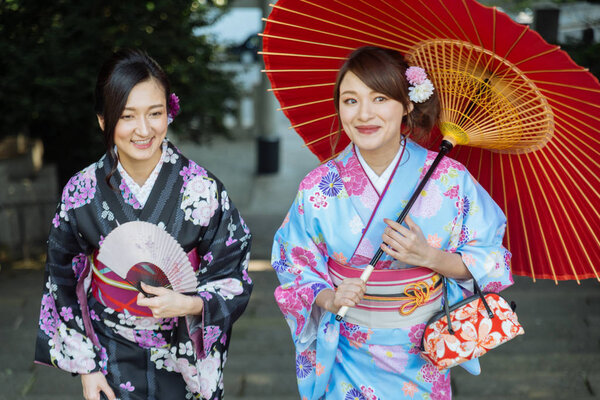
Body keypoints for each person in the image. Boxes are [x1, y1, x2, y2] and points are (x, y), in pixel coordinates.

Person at [271, 46, 514, 399]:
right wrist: (329, 297)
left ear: (408, 104)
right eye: (350, 100)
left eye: (380, 98)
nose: (364, 114)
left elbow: (492, 260)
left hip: (423, 353)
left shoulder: (449, 179)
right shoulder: (317, 187)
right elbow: (292, 264)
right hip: (345, 355)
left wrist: (429, 257)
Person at [35, 49, 253, 400]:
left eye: (155, 113)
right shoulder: (82, 192)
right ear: (103, 120)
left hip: (184, 358)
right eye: (127, 116)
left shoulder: (202, 190)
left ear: (170, 112)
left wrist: (192, 304)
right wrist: (87, 368)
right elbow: (62, 279)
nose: (143, 129)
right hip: (110, 356)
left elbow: (234, 274)